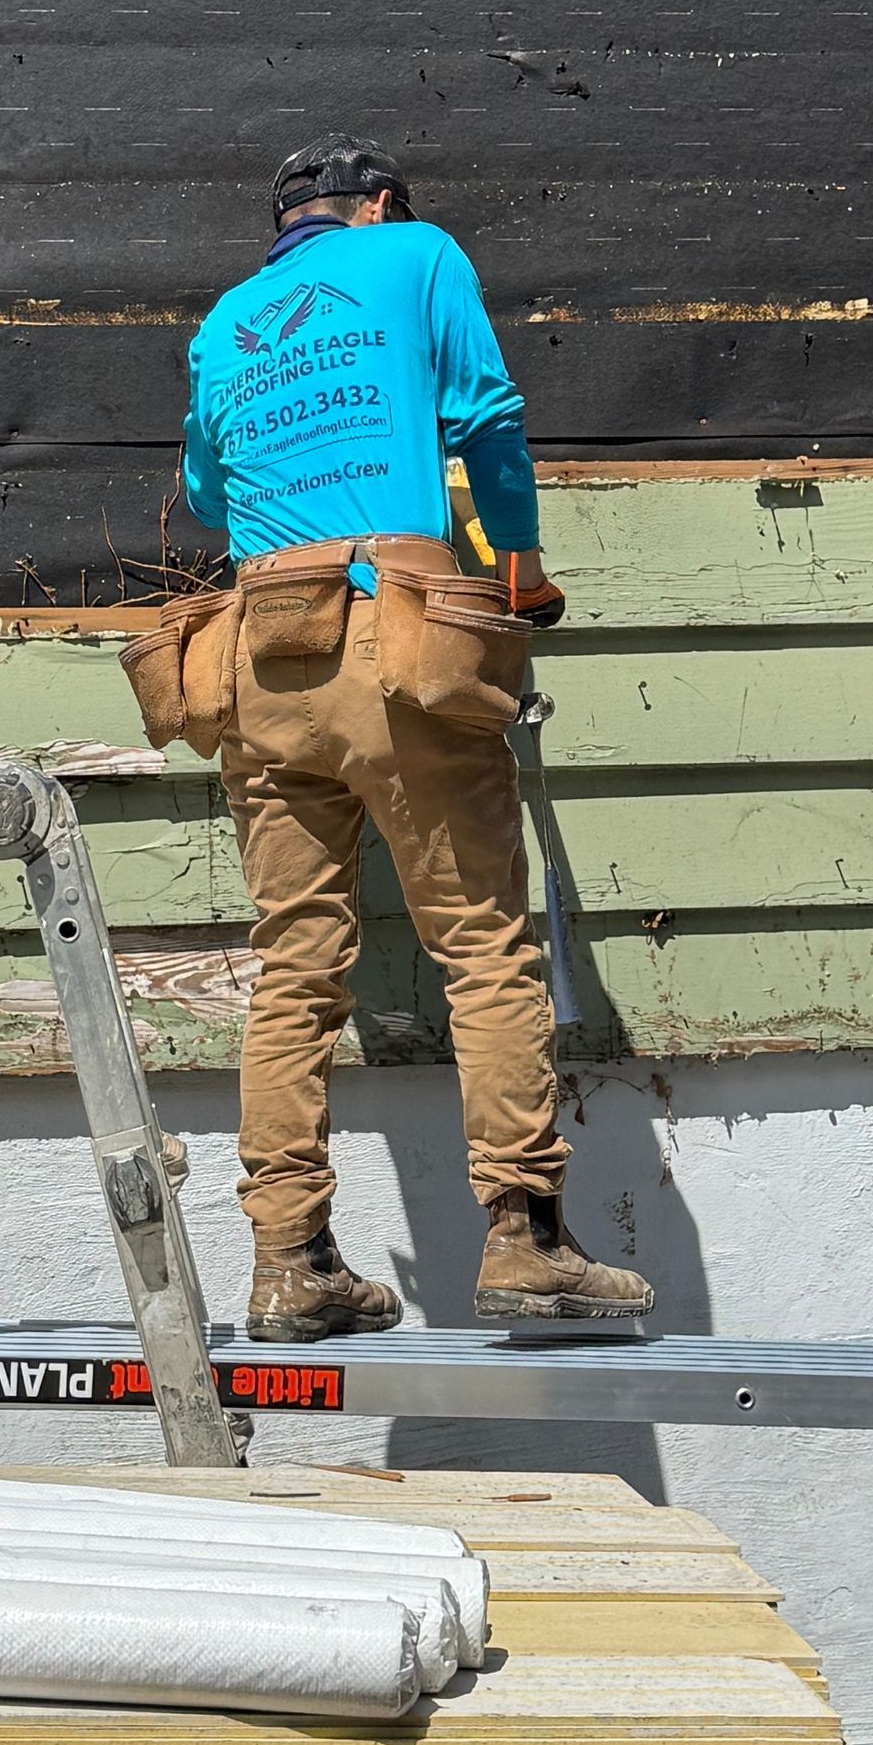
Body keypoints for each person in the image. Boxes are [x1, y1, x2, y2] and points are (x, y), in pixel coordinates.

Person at [179, 134, 654, 1340]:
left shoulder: (226, 320)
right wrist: (523, 569)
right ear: (379, 205)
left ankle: (289, 1260)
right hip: (389, 630)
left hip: (257, 647)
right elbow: (488, 415)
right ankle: (524, 1237)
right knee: (485, 945)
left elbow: (204, 493)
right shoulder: (415, 251)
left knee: (295, 968)